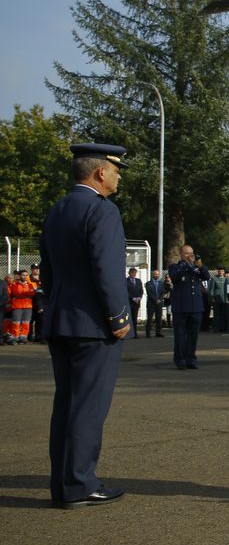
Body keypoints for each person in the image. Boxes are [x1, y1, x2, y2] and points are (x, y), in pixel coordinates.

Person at [38, 143, 133, 508]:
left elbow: (48, 270)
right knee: (88, 407)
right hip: (95, 325)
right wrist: (118, 316)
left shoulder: (59, 209)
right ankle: (80, 484)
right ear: (99, 173)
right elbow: (106, 270)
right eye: (116, 169)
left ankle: (62, 485)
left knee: (65, 404)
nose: (118, 175)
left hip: (61, 319)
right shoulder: (102, 210)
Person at [169, 245, 210, 369]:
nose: (190, 256)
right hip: (181, 307)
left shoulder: (195, 268)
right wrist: (186, 264)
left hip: (195, 306)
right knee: (180, 335)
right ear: (181, 254)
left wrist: (200, 266)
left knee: (193, 335)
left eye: (191, 253)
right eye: (187, 253)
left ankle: (191, 359)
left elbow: (206, 276)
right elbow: (175, 276)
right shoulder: (175, 267)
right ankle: (180, 359)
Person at [6, 269, 37, 343]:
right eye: (23, 275)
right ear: (20, 276)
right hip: (17, 306)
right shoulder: (14, 284)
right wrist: (26, 293)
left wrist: (24, 293)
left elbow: (33, 293)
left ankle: (23, 337)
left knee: (26, 322)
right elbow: (17, 293)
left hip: (28, 306)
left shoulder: (30, 284)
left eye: (26, 275)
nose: (25, 276)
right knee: (16, 322)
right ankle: (15, 337)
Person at [145, 269, 166, 338]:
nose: (156, 275)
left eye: (157, 274)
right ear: (152, 274)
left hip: (159, 303)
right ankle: (148, 333)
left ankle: (158, 332)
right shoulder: (148, 283)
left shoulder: (161, 283)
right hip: (151, 303)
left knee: (158, 318)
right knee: (150, 318)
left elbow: (163, 292)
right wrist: (155, 299)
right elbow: (149, 293)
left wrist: (159, 299)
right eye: (155, 274)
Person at [29, 264, 45, 343]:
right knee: (31, 319)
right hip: (30, 301)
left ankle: (38, 336)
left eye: (37, 268)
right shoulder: (28, 278)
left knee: (40, 319)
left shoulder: (43, 278)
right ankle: (29, 335)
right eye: (34, 269)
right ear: (31, 270)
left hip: (40, 301)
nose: (36, 270)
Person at [126, 267, 143, 339]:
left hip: (136, 303)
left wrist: (139, 298)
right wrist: (133, 298)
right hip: (129, 302)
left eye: (135, 273)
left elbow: (141, 291)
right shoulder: (125, 281)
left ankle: (135, 334)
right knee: (129, 319)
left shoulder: (138, 281)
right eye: (132, 273)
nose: (133, 274)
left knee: (134, 319)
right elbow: (125, 292)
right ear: (129, 273)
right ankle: (128, 334)